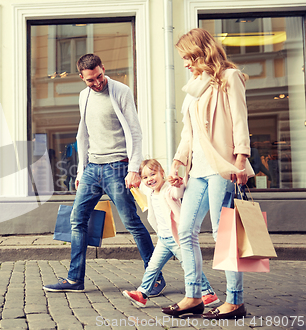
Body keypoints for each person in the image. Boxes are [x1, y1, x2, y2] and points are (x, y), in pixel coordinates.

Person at [43, 54, 166, 295]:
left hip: (117, 168)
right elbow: (83, 133)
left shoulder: (121, 91)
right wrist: (81, 170)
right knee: (77, 220)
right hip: (92, 169)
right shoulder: (83, 96)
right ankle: (74, 279)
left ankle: (155, 278)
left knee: (131, 223)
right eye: (91, 80)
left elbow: (135, 132)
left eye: (99, 76)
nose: (97, 82)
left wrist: (134, 169)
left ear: (103, 69)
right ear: (81, 78)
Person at [162, 28, 254, 319]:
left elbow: (240, 121)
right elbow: (188, 132)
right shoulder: (195, 86)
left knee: (222, 232)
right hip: (197, 169)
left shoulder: (229, 77)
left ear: (201, 52)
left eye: (187, 57)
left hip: (221, 167)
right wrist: (178, 162)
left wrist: (240, 159)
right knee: (185, 231)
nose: (185, 63)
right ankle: (194, 296)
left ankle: (235, 300)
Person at [122, 159, 219, 308]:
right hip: (163, 239)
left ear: (162, 173)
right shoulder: (151, 193)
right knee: (152, 266)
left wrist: (177, 183)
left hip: (177, 237)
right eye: (145, 177)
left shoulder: (168, 189)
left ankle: (208, 293)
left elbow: (177, 193)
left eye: (153, 174)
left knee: (188, 264)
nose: (150, 179)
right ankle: (142, 294)